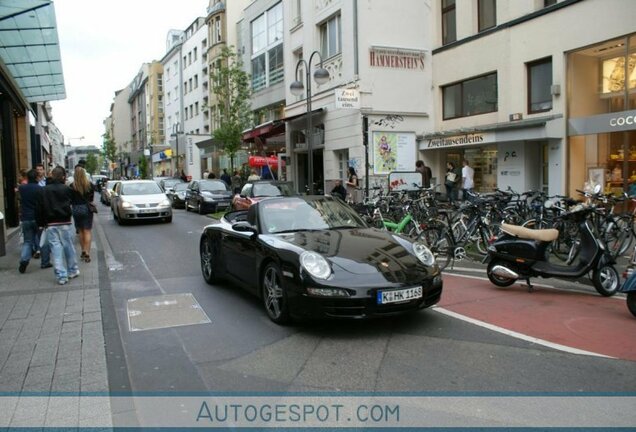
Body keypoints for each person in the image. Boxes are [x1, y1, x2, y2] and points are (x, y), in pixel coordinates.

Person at [36, 166, 79, 285]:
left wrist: (41, 223)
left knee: (56, 249)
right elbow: (75, 202)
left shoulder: (44, 190)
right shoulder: (67, 189)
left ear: (52, 176)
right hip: (65, 221)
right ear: (63, 177)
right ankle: (72, 270)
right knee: (68, 246)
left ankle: (61, 276)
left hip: (50, 223)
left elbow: (39, 208)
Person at [17, 169, 52, 273]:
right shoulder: (40, 189)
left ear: (27, 178)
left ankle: (24, 260)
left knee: (28, 241)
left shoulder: (22, 188)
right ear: (37, 177)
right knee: (43, 241)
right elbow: (44, 205)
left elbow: (19, 200)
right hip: (38, 218)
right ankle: (45, 262)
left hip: (26, 218)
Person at [70, 166, 95, 263]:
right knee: (87, 231)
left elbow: (70, 200)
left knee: (80, 231)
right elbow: (91, 199)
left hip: (76, 209)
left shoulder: (72, 186)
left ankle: (82, 250)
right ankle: (87, 252)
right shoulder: (89, 185)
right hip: (86, 209)